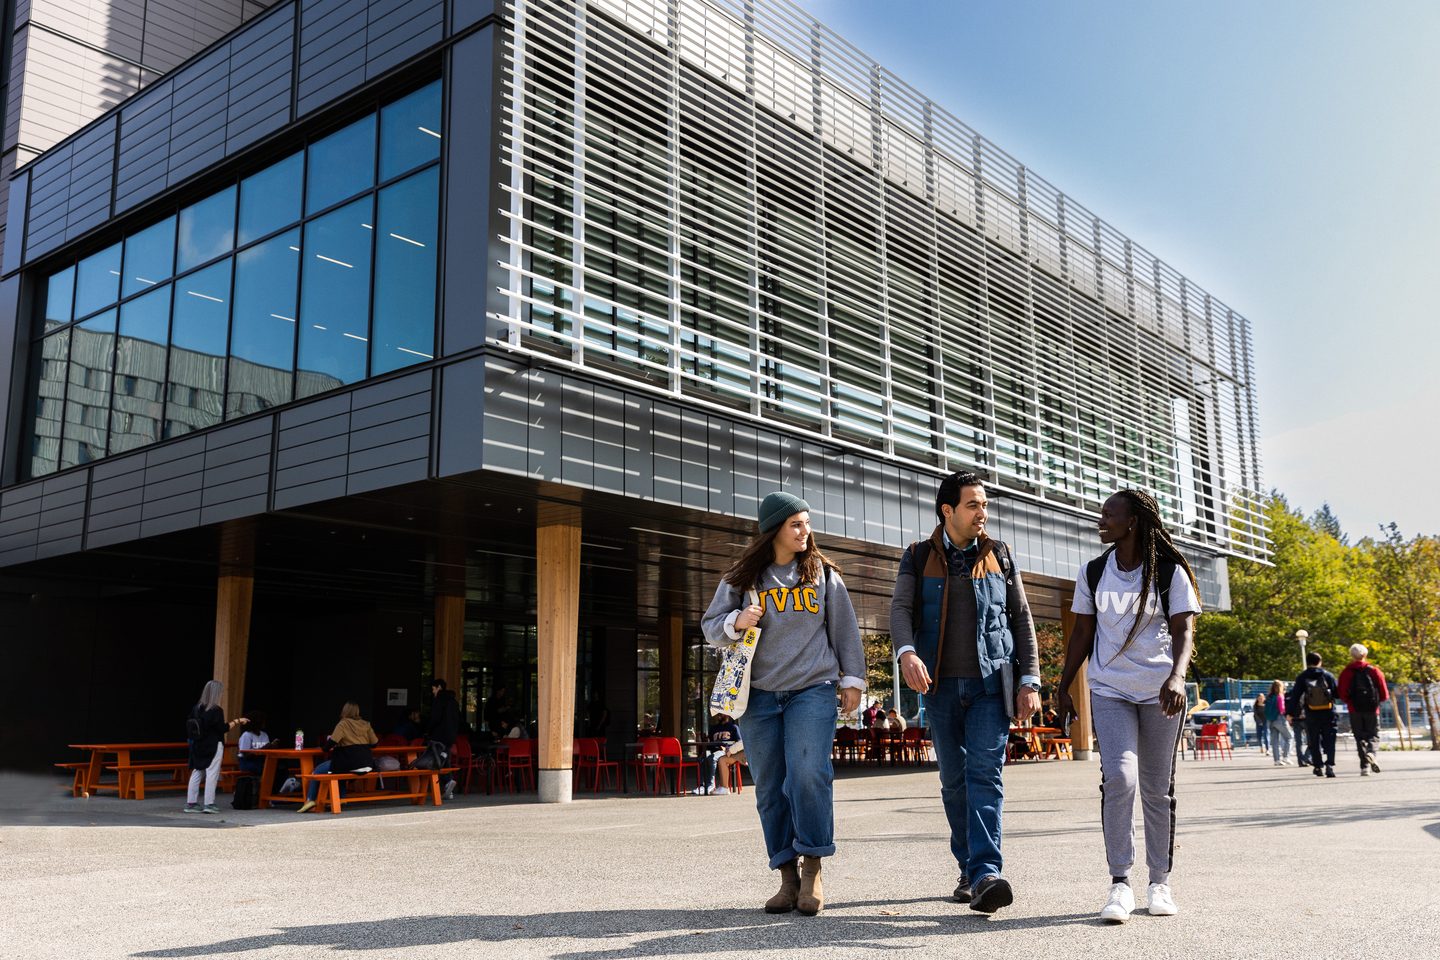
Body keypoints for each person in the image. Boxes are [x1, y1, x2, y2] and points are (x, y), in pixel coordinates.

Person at [701, 491, 865, 916]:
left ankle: (813, 865)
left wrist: (853, 679)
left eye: (807, 523)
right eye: (796, 524)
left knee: (809, 772)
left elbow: (845, 629)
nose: (805, 531)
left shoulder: (823, 575)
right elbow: (710, 627)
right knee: (771, 785)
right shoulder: (741, 578)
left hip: (812, 688)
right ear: (774, 529)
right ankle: (787, 876)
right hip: (758, 697)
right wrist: (735, 621)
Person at [890, 471, 1040, 915]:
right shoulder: (917, 556)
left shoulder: (1000, 555)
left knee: (984, 777)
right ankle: (969, 868)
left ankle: (986, 872)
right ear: (948, 510)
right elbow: (899, 609)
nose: (983, 513)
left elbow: (1021, 620)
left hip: (990, 687)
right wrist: (906, 653)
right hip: (938, 689)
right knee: (954, 782)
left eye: (985, 504)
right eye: (973, 505)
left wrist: (1030, 680)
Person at [1057, 488, 1201, 924]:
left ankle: (1160, 881)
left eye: (1108, 514)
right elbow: (1082, 633)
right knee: (1119, 777)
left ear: (1133, 521)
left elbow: (1184, 632)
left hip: (1161, 692)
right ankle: (1120, 882)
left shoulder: (1169, 572)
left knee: (1157, 788)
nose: (1101, 521)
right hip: (1110, 690)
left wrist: (1177, 676)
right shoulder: (1094, 572)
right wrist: (1063, 686)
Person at [296, 702, 378, 814]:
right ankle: (341, 799)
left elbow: (332, 742)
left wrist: (323, 748)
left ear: (344, 711)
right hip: (367, 765)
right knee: (339, 771)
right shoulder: (366, 724)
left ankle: (310, 800)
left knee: (317, 771)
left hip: (349, 762)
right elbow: (374, 743)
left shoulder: (343, 724)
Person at [184, 680, 247, 814]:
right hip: (213, 745)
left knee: (197, 771)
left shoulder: (196, 708)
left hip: (198, 745)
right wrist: (237, 721)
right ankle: (209, 803)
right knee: (212, 773)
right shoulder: (216, 710)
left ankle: (191, 803)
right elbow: (222, 728)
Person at [1337, 643, 1390, 776]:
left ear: (1351, 655)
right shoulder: (1374, 671)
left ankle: (1364, 767)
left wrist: (1349, 701)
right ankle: (1371, 753)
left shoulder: (1346, 672)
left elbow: (1342, 692)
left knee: (1359, 737)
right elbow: (1383, 691)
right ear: (1365, 655)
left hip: (1354, 709)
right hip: (1372, 709)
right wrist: (1378, 701)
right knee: (1373, 734)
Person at [1293, 653, 1339, 778]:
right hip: (1328, 712)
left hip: (1311, 712)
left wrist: (1290, 713)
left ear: (1307, 662)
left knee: (1314, 740)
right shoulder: (1328, 675)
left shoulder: (1302, 676)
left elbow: (1295, 696)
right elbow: (1336, 693)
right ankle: (1330, 765)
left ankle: (1318, 766)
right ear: (1320, 661)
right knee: (1329, 738)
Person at [426, 678, 461, 801]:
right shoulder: (454, 702)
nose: (433, 692)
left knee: (437, 760)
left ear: (439, 687)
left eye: (433, 689)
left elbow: (435, 719)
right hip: (450, 736)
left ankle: (446, 782)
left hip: (438, 736)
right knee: (445, 758)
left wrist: (428, 731)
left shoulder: (439, 700)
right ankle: (448, 785)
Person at [693, 713, 744, 795]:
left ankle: (710, 785)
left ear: (727, 715)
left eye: (721, 714)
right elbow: (709, 742)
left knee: (712, 758)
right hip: (713, 750)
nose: (719, 715)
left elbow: (739, 742)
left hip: (725, 751)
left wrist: (729, 748)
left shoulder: (733, 727)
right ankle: (702, 785)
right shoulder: (713, 728)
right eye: (718, 714)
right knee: (702, 759)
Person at [1265, 680, 1292, 765]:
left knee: (1275, 741)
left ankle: (1276, 760)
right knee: (1289, 737)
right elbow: (1281, 709)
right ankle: (1286, 757)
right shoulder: (1280, 696)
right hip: (1279, 719)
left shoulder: (1269, 696)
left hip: (1270, 720)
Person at [236, 709, 270, 776]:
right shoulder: (247, 735)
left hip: (260, 760)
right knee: (264, 768)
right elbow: (245, 755)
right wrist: (262, 749)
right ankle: (260, 785)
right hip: (247, 762)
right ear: (256, 722)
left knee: (278, 767)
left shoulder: (264, 735)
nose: (264, 723)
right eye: (262, 721)